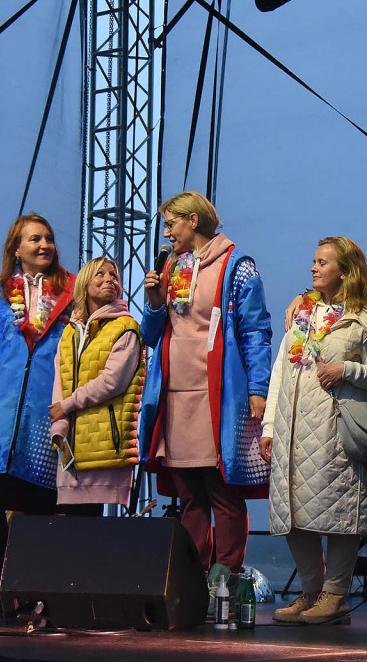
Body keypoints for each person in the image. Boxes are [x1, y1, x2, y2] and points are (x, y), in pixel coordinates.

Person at [139, 191, 273, 613]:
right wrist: (156, 304)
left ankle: (228, 578)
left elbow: (256, 331)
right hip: (175, 394)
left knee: (222, 489)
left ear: (193, 220)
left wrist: (258, 389)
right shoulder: (170, 267)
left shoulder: (237, 265)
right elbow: (150, 333)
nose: (167, 233)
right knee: (188, 492)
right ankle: (194, 577)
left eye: (171, 223)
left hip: (219, 394)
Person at [260, 237, 367, 625]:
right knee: (291, 512)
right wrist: (268, 426)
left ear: (344, 271)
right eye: (313, 261)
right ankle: (311, 592)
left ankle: (336, 594)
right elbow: (282, 371)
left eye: (322, 262)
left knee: (340, 510)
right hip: (292, 428)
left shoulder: (364, 318)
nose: (313, 268)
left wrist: (346, 370)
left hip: (334, 426)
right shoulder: (303, 314)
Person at [0, 213, 75, 615]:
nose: (44, 245)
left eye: (48, 238)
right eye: (35, 239)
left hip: (46, 412)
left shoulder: (71, 291)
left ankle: (34, 588)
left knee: (41, 499)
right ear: (16, 249)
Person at [49, 257, 144, 515]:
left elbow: (112, 381)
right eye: (99, 274)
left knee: (95, 532)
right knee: (72, 530)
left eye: (113, 275)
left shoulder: (126, 327)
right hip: (73, 448)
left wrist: (66, 405)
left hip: (106, 446)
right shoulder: (70, 332)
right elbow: (60, 378)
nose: (109, 279)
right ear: (84, 283)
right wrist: (59, 424)